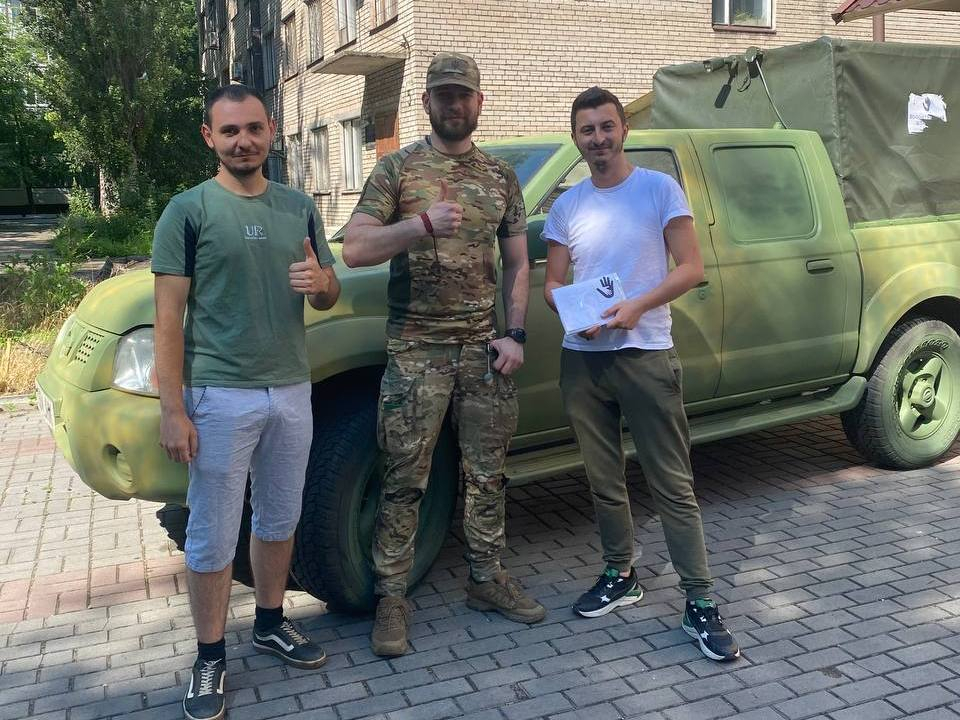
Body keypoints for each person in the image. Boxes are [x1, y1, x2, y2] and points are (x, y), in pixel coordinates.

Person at [342, 51, 546, 657]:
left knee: (488, 474)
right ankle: (391, 598)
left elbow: (517, 263)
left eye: (463, 95)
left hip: (482, 350)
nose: (454, 104)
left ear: (478, 102)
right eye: (443, 95)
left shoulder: (500, 176)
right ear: (426, 101)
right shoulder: (397, 169)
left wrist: (515, 334)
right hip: (416, 351)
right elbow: (355, 248)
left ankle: (486, 578)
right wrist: (419, 226)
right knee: (404, 477)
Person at [152, 84, 341, 720]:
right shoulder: (188, 211)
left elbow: (329, 292)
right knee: (212, 530)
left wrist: (321, 283)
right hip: (218, 394)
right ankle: (209, 656)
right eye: (230, 131)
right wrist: (173, 408)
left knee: (280, 516)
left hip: (291, 388)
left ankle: (269, 621)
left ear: (272, 131)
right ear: (210, 137)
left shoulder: (298, 208)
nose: (243, 141)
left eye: (254, 129)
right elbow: (168, 317)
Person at [542, 86, 739, 662]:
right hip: (583, 360)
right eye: (587, 130)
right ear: (575, 139)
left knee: (672, 484)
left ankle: (699, 601)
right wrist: (569, 310)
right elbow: (553, 282)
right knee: (603, 480)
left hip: (646, 354)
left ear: (623, 130)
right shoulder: (567, 205)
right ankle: (620, 573)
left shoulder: (658, 189)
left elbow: (692, 268)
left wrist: (637, 307)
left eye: (607, 126)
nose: (598, 138)